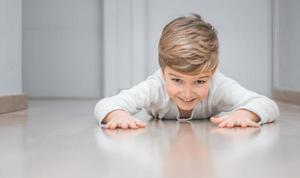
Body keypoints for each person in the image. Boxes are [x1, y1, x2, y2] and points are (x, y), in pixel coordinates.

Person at [94, 14, 279, 129]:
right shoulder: (155, 86)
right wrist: (118, 115)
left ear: (212, 72)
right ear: (163, 70)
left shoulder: (218, 84)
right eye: (177, 80)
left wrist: (244, 114)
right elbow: (106, 104)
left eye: (199, 81)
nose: (188, 93)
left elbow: (267, 104)